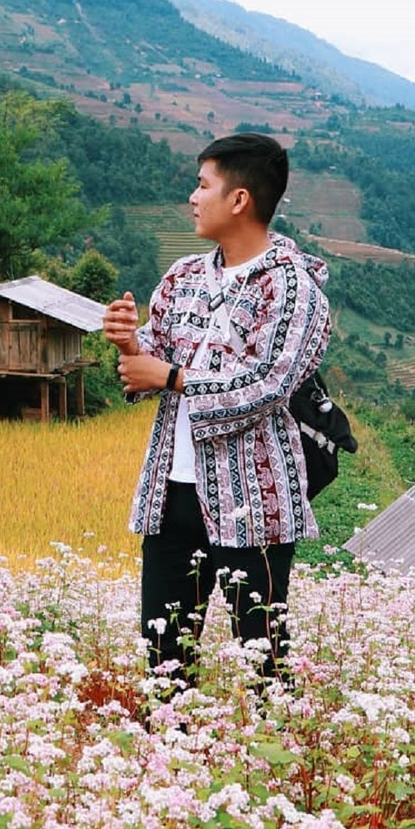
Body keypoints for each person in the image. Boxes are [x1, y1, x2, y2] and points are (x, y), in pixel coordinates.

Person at [102, 132, 330, 689]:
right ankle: (167, 764)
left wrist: (172, 377)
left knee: (264, 654)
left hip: (252, 497)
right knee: (162, 651)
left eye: (203, 185)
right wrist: (131, 346)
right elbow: (154, 360)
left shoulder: (294, 287)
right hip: (170, 493)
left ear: (239, 200)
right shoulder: (183, 277)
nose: (192, 197)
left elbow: (268, 385)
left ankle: (279, 760)